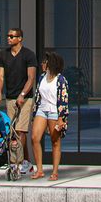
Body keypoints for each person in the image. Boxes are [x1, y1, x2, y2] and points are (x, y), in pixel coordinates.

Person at [0, 25, 37, 178]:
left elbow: (31, 78)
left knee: (21, 131)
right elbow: (0, 76)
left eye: (12, 36)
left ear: (19, 38)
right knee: (11, 131)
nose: (9, 38)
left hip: (26, 98)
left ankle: (16, 163)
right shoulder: (2, 55)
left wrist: (23, 94)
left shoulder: (29, 55)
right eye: (8, 36)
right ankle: (24, 162)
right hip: (10, 97)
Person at [32, 50, 70, 181]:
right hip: (42, 109)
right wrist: (34, 111)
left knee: (55, 141)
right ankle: (40, 170)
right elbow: (38, 95)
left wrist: (61, 118)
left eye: (45, 62)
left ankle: (55, 172)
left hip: (55, 111)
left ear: (51, 63)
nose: (42, 64)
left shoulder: (60, 80)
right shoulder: (42, 77)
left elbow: (64, 100)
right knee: (35, 137)